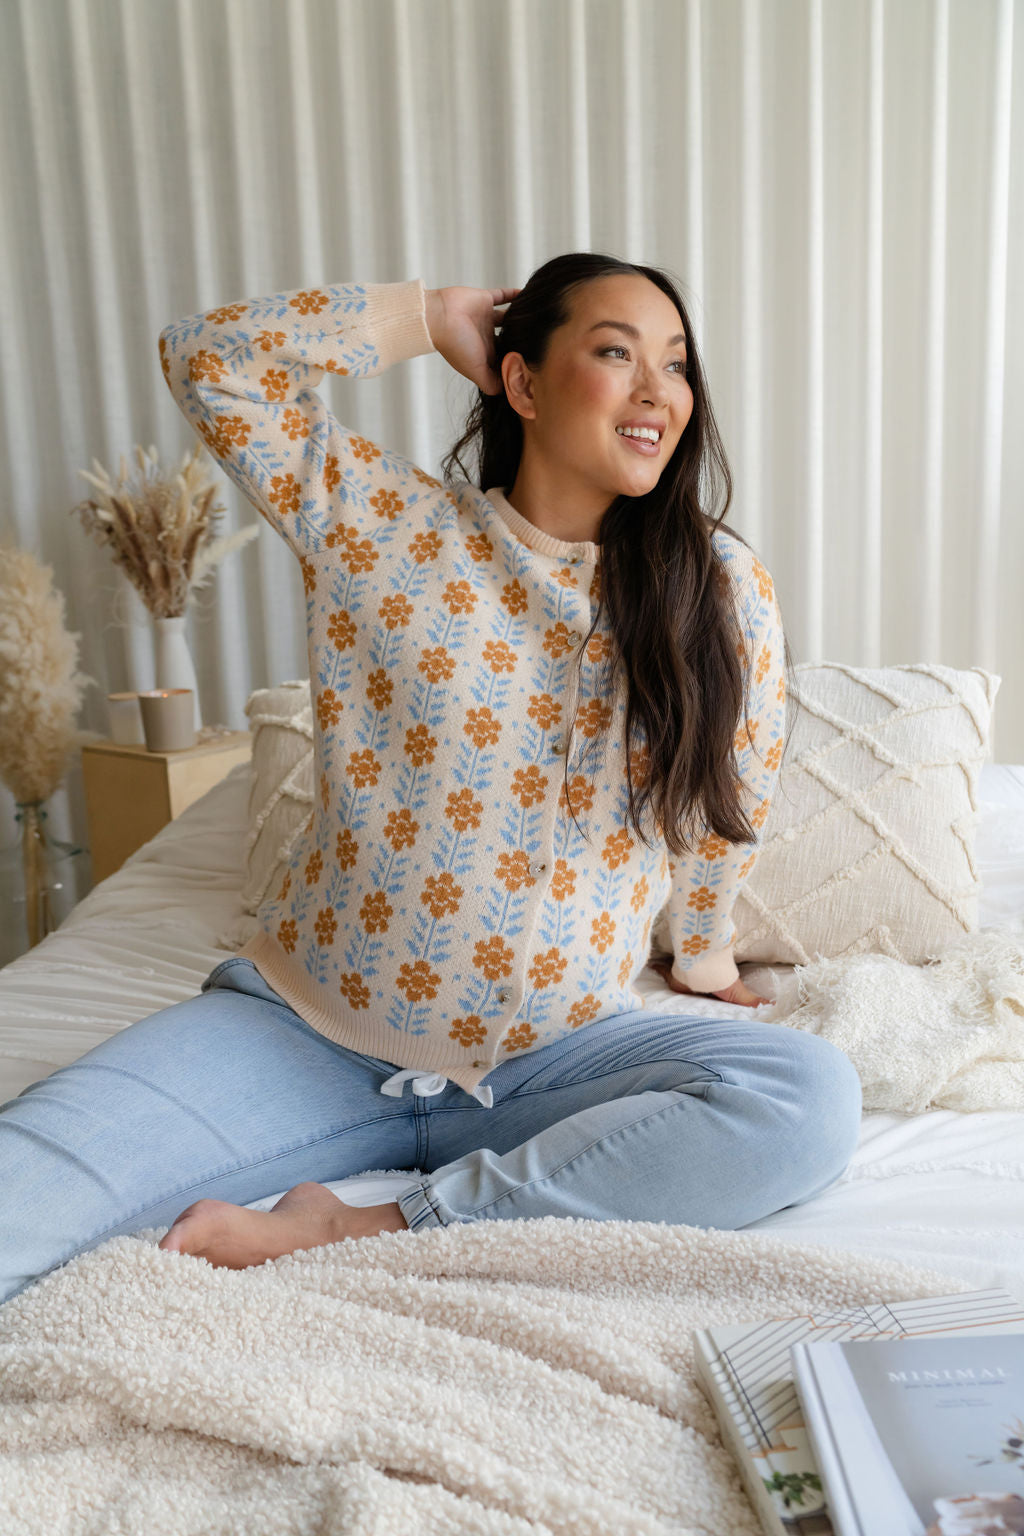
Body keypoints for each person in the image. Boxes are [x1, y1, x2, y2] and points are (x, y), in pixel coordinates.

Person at [0, 254, 861, 1302]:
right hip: (298, 1039)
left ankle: (375, 1228)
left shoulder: (718, 588)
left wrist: (705, 951)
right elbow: (208, 358)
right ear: (523, 382)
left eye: (676, 365)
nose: (657, 392)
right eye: (615, 353)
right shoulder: (383, 527)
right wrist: (431, 315)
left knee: (809, 1098)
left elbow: (730, 800)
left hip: (553, 1061)